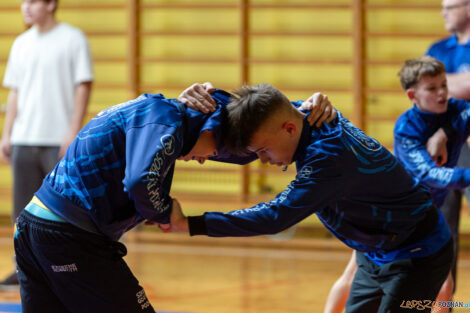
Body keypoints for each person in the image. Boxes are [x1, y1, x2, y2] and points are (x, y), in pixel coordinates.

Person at [13, 82, 335, 313]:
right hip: (68, 237)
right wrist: (168, 212)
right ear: (211, 131)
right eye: (217, 153)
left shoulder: (170, 117)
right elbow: (141, 182)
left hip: (32, 228)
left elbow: (253, 111)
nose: (205, 159)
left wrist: (304, 107)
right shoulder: (167, 123)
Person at [168, 83, 454, 313]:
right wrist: (205, 97)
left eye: (264, 151)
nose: (264, 161)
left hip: (417, 253)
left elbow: (274, 216)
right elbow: (254, 108)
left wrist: (193, 223)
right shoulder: (304, 112)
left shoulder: (326, 160)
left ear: (289, 130)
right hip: (375, 250)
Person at [0, 0, 93, 289]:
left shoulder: (72, 38)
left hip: (58, 141)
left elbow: (83, 85)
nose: (24, 7)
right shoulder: (21, 44)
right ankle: (25, 270)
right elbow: (14, 91)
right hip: (24, 140)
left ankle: (67, 270)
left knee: (63, 210)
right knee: (23, 212)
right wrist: (7, 133)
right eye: (22, 2)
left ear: (51, 4)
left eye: (32, 1)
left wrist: (72, 131)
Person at [425, 0, 470, 299]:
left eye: (450, 6)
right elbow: (421, 92)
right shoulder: (438, 49)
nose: (443, 12)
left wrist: (440, 85)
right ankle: (443, 304)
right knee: (441, 230)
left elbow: (432, 89)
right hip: (440, 147)